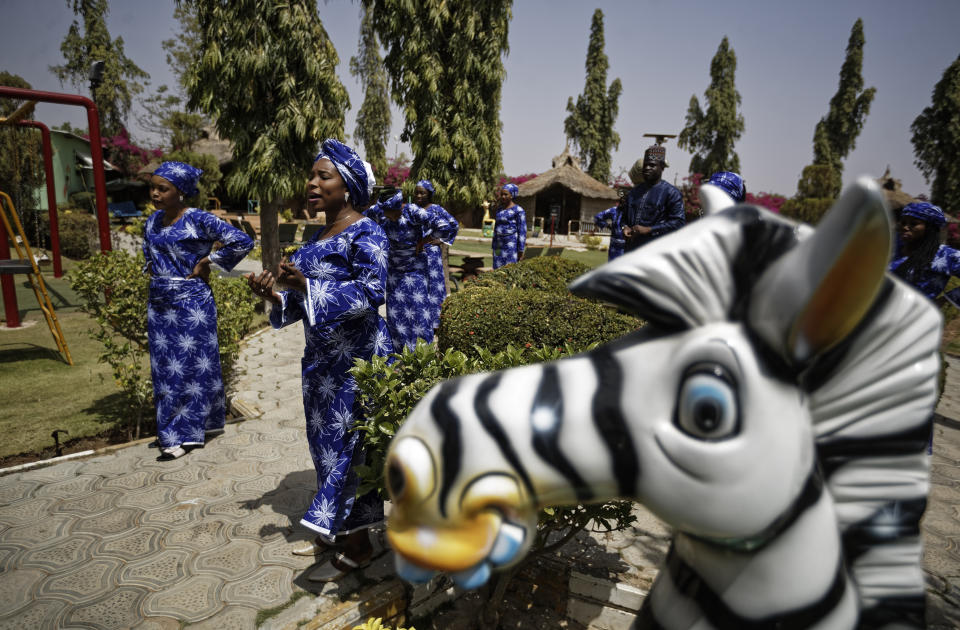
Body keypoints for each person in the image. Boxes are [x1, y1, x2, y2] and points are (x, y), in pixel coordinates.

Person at [245, 139, 392, 581]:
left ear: (346, 186)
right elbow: (301, 301)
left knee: (350, 451)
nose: (312, 183)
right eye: (311, 175)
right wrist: (276, 293)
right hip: (321, 364)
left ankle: (360, 546)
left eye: (323, 176)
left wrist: (307, 285)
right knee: (326, 450)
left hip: (359, 363)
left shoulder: (368, 232)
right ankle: (342, 528)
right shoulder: (317, 236)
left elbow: (372, 293)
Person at [143, 161, 255, 460]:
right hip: (159, 303)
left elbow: (242, 241)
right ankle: (177, 429)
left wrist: (209, 263)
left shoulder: (198, 219)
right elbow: (149, 253)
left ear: (180, 192)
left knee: (190, 367)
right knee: (164, 370)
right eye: (152, 187)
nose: (155, 193)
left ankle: (183, 435)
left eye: (162, 188)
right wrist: (153, 269)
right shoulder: (152, 222)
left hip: (192, 303)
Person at [366, 186, 458, 351]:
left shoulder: (413, 212)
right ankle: (400, 353)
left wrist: (424, 241)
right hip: (394, 272)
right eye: (386, 213)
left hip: (415, 270)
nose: (388, 217)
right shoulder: (379, 210)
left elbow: (445, 226)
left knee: (419, 312)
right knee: (396, 315)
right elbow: (361, 222)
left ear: (399, 206)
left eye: (391, 213)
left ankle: (423, 352)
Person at [889, 201, 960, 305]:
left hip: (909, 318)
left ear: (929, 228)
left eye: (914, 224)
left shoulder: (944, 255)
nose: (905, 227)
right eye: (903, 223)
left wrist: (943, 301)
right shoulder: (894, 245)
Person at [412, 179, 459, 332]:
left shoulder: (436, 209)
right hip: (415, 254)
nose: (419, 195)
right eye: (417, 192)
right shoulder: (411, 209)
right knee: (419, 287)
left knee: (434, 287)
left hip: (431, 254)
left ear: (429, 194)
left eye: (422, 193)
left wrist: (441, 240)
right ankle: (420, 320)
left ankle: (436, 323)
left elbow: (453, 224)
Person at [622, 145, 684, 252]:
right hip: (631, 252)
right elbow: (623, 218)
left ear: (662, 167)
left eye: (652, 165)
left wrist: (649, 230)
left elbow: (678, 223)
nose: (647, 168)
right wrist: (625, 227)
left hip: (656, 253)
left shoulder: (671, 193)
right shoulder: (634, 192)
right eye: (645, 165)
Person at [492, 183, 526, 268]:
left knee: (509, 269)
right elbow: (496, 227)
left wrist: (521, 250)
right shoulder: (500, 209)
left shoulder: (518, 210)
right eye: (502, 194)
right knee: (497, 268)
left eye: (506, 194)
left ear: (512, 195)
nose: (503, 196)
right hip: (498, 245)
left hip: (511, 245)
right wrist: (494, 245)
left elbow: (522, 231)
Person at [593, 194, 627, 261]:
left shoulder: (633, 212)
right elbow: (598, 217)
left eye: (624, 202)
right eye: (621, 201)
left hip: (627, 246)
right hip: (614, 246)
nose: (622, 204)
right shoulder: (614, 210)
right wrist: (607, 225)